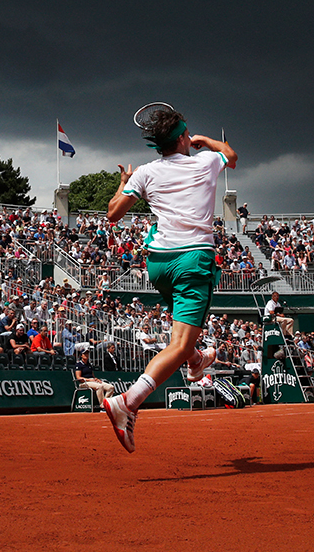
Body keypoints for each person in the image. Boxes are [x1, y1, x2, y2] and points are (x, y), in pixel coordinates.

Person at [100, 107, 236, 453]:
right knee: (177, 345)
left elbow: (113, 214)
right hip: (193, 260)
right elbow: (231, 157)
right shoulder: (205, 162)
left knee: (184, 340)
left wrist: (123, 184)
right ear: (183, 138)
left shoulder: (145, 172)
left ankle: (196, 362)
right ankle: (127, 403)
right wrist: (207, 141)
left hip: (159, 264)